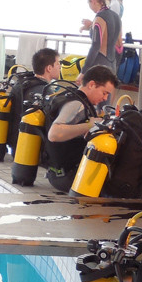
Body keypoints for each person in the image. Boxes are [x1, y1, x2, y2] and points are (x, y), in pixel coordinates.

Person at [45, 65, 118, 193]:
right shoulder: (77, 104)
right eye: (104, 92)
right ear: (91, 85)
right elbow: (54, 134)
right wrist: (90, 125)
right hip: (68, 177)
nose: (105, 98)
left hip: (60, 173)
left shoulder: (77, 99)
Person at [82, 0, 122, 74]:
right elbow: (120, 46)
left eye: (89, 3)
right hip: (112, 64)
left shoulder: (99, 18)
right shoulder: (116, 17)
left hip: (99, 63)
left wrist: (83, 71)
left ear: (93, 1)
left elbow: (96, 46)